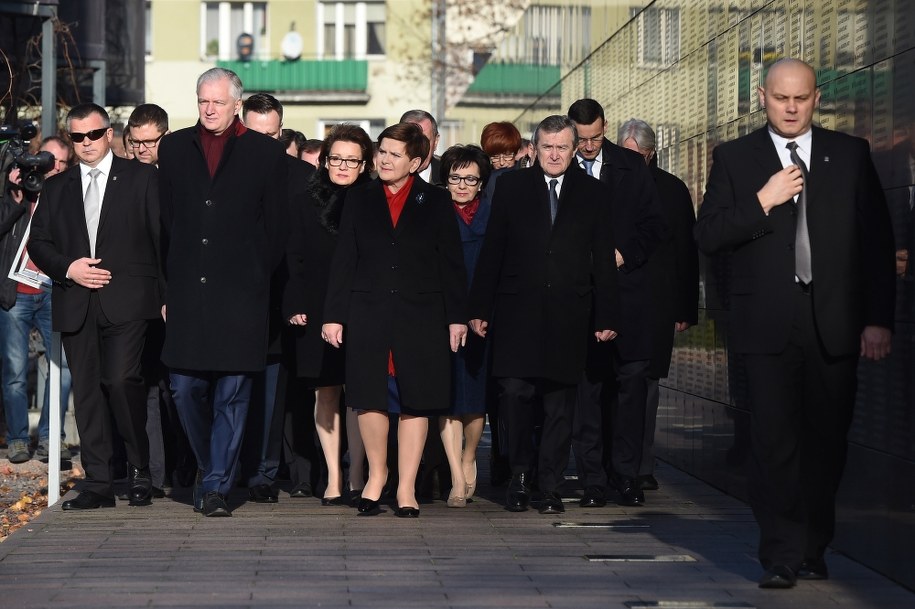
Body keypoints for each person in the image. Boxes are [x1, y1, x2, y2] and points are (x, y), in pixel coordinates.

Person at [694, 58, 895, 589]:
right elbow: (709, 234)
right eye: (781, 97)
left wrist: (878, 319)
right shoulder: (736, 158)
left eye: (800, 98)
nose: (790, 107)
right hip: (766, 326)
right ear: (762, 96)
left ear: (816, 98)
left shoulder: (849, 154)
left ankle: (813, 544)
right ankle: (780, 553)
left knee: (826, 442)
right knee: (773, 442)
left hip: (834, 324)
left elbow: (876, 243)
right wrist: (763, 200)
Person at [468, 114, 619, 515]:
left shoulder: (593, 193)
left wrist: (606, 315)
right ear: (534, 149)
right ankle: (519, 475)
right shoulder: (512, 188)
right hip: (518, 311)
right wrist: (480, 307)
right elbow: (493, 250)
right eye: (547, 147)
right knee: (515, 395)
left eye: (562, 147)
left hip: (570, 312)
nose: (554, 154)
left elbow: (603, 258)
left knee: (559, 404)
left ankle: (550, 486)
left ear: (575, 150)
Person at [158, 68, 289, 517]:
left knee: (233, 395)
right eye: (202, 101)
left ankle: (215, 485)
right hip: (188, 294)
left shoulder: (262, 154)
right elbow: (166, 222)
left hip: (241, 296)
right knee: (183, 388)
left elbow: (275, 228)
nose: (209, 109)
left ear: (237, 104)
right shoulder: (174, 147)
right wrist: (168, 287)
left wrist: (253, 275)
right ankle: (210, 465)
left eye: (217, 101)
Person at [322, 122, 467, 518]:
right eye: (381, 150)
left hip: (421, 314)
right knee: (369, 396)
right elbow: (344, 260)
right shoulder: (360, 197)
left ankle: (406, 487)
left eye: (393, 153)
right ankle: (376, 476)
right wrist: (333, 315)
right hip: (367, 311)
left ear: (416, 162)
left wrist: (458, 318)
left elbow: (451, 263)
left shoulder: (435, 201)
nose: (383, 159)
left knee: (414, 399)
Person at [28, 103, 163, 509]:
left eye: (93, 134)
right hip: (76, 302)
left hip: (130, 302)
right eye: (77, 137)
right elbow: (39, 244)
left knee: (122, 382)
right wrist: (69, 268)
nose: (86, 143)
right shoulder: (56, 187)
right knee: (86, 394)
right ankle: (100, 482)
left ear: (110, 133)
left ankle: (141, 470)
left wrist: (166, 297)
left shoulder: (142, 178)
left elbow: (161, 239)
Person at [567, 98, 665, 508]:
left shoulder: (631, 166)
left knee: (630, 390)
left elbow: (653, 225)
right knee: (587, 393)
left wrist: (624, 253)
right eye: (582, 140)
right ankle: (591, 478)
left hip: (629, 298)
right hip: (582, 298)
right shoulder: (560, 166)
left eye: (595, 137)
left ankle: (627, 475)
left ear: (605, 127)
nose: (588, 147)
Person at [285, 124, 374, 505]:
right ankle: (334, 477)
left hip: (365, 305)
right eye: (335, 158)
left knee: (361, 394)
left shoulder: (374, 200)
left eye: (351, 160)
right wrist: (295, 303)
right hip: (317, 306)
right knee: (325, 391)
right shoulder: (305, 200)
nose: (341, 165)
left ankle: (357, 472)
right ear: (324, 161)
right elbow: (293, 257)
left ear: (364, 163)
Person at [236, 93, 316, 505]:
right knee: (226, 392)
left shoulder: (303, 177)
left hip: (279, 301)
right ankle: (224, 466)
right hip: (229, 301)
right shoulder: (221, 169)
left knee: (270, 394)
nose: (265, 143)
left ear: (282, 132)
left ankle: (264, 472)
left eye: (272, 135)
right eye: (255, 134)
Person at [617, 118, 699, 492]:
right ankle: (615, 463)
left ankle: (641, 464)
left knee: (648, 385)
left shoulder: (672, 190)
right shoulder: (608, 183)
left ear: (651, 154)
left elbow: (686, 250)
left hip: (656, 301)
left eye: (638, 155)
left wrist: (684, 308)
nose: (631, 160)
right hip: (617, 298)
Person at [125, 102, 189, 497]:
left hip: (178, 296)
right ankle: (152, 471)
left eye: (151, 141)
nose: (144, 149)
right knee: (146, 387)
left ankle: (186, 466)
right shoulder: (122, 178)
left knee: (180, 389)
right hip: (136, 299)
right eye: (137, 142)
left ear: (165, 135)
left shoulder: (180, 177)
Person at [1, 135, 73, 464]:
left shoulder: (71, 194)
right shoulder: (16, 191)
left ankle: (48, 436)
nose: (53, 167)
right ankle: (16, 439)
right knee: (15, 370)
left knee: (63, 368)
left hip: (52, 290)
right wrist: (16, 199)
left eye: (60, 162)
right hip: (15, 294)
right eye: (48, 160)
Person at [437, 144, 492, 507]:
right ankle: (456, 474)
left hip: (482, 316)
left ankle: (469, 454)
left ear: (481, 183)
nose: (461, 185)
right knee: (447, 397)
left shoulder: (493, 214)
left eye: (469, 179)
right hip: (441, 314)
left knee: (474, 400)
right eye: (455, 178)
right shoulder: (434, 213)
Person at [400, 109, 441, 185]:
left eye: (424, 141)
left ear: (435, 142)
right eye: (410, 141)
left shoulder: (450, 177)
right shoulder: (380, 179)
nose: (417, 148)